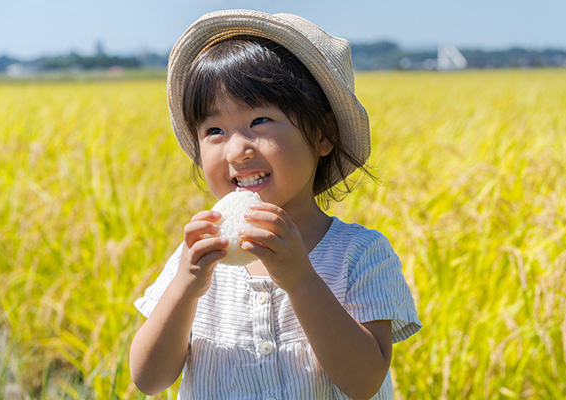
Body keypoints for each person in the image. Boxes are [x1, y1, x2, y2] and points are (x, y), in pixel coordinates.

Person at [129, 9, 421, 400]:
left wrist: (301, 280)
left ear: (323, 135)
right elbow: (149, 379)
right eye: (214, 130)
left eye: (260, 121)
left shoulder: (359, 255)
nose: (236, 150)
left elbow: (363, 382)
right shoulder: (197, 260)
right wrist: (184, 286)